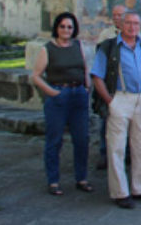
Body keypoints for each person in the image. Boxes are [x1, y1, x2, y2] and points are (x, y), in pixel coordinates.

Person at [91, 11, 141, 208]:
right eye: (128, 23)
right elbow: (97, 76)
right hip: (120, 98)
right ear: (121, 25)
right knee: (116, 147)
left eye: (136, 23)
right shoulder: (109, 47)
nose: (132, 27)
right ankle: (120, 192)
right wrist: (109, 100)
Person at [32, 12, 92, 196]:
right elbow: (36, 75)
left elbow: (85, 67)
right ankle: (53, 181)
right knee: (55, 140)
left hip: (78, 96)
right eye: (63, 26)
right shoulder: (47, 49)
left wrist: (87, 86)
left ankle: (81, 178)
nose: (66, 30)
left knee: (82, 139)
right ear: (57, 28)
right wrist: (52, 92)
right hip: (59, 96)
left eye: (70, 27)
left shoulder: (79, 46)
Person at [96, 5, 126, 170]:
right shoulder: (105, 36)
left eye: (120, 15)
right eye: (115, 15)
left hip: (127, 86)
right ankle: (104, 153)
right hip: (110, 83)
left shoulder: (135, 35)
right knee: (106, 120)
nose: (117, 18)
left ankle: (126, 153)